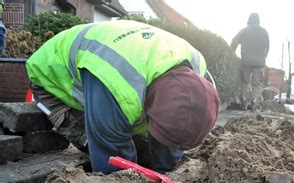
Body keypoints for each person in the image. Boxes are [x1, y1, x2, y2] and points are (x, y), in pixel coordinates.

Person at [26, 20, 220, 174]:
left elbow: (172, 138)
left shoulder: (196, 65)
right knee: (94, 139)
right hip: (51, 76)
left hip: (108, 71)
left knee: (141, 147)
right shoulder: (118, 85)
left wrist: (164, 171)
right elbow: (113, 163)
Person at [231, 13, 269, 112]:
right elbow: (267, 48)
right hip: (259, 63)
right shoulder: (264, 32)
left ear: (249, 20)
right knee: (257, 84)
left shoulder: (244, 31)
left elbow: (234, 42)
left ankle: (244, 102)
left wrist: (232, 55)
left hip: (246, 62)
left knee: (245, 82)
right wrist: (263, 57)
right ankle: (254, 101)